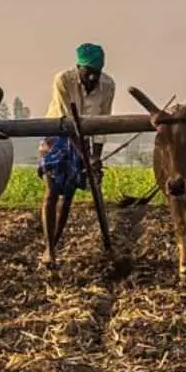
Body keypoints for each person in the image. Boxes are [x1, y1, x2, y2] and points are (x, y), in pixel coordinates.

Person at [39, 43, 116, 267]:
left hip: (87, 141)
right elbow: (68, 122)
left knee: (69, 194)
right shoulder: (63, 80)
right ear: (78, 67)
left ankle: (53, 244)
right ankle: (49, 249)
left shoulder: (108, 85)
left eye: (96, 73)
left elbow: (104, 122)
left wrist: (96, 157)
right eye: (88, 72)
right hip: (57, 135)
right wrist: (87, 157)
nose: (92, 78)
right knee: (52, 191)